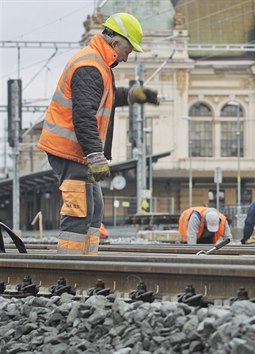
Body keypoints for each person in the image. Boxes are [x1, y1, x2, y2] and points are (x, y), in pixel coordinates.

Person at [37, 13, 159, 255]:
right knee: (79, 210)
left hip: (75, 151)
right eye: (128, 50)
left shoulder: (98, 65)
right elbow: (83, 115)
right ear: (115, 44)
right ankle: (70, 271)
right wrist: (95, 155)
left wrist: (131, 95)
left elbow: (102, 97)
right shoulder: (90, 66)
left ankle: (87, 262)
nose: (127, 57)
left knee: (94, 208)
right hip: (69, 150)